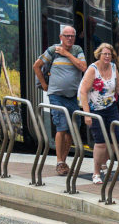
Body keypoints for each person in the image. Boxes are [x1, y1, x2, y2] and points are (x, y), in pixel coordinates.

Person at [33, 25, 86, 176]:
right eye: (66, 35)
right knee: (61, 127)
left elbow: (83, 67)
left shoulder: (77, 50)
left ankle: (63, 160)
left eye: (72, 36)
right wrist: (44, 85)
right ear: (60, 37)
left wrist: (67, 54)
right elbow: (36, 66)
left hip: (72, 97)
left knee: (71, 129)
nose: (69, 38)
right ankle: (59, 161)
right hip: (56, 96)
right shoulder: (53, 50)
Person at [78, 43, 119, 185]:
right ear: (99, 55)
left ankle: (104, 162)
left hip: (110, 107)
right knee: (101, 141)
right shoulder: (93, 69)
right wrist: (87, 114)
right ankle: (96, 173)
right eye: (105, 54)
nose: (107, 56)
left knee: (117, 136)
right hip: (95, 109)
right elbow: (83, 91)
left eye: (109, 54)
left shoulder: (113, 68)